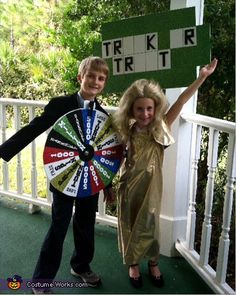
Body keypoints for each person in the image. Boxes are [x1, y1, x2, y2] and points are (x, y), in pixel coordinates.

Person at [0, 56, 115, 294]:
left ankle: (81, 266)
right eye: (91, 76)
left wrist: (108, 184)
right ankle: (41, 281)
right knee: (59, 226)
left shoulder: (103, 114)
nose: (95, 81)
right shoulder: (60, 104)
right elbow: (35, 128)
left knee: (86, 224)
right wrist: (4, 151)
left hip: (89, 180)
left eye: (101, 78)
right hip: (64, 178)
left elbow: (105, 153)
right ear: (80, 77)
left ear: (104, 83)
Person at [113, 58, 218, 289]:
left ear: (156, 107)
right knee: (128, 221)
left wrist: (201, 78)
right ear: (131, 109)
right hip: (128, 184)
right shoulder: (126, 131)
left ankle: (152, 262)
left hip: (152, 186)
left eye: (149, 108)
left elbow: (180, 101)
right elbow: (113, 158)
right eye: (139, 109)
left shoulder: (160, 129)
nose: (145, 113)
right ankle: (132, 263)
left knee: (150, 223)